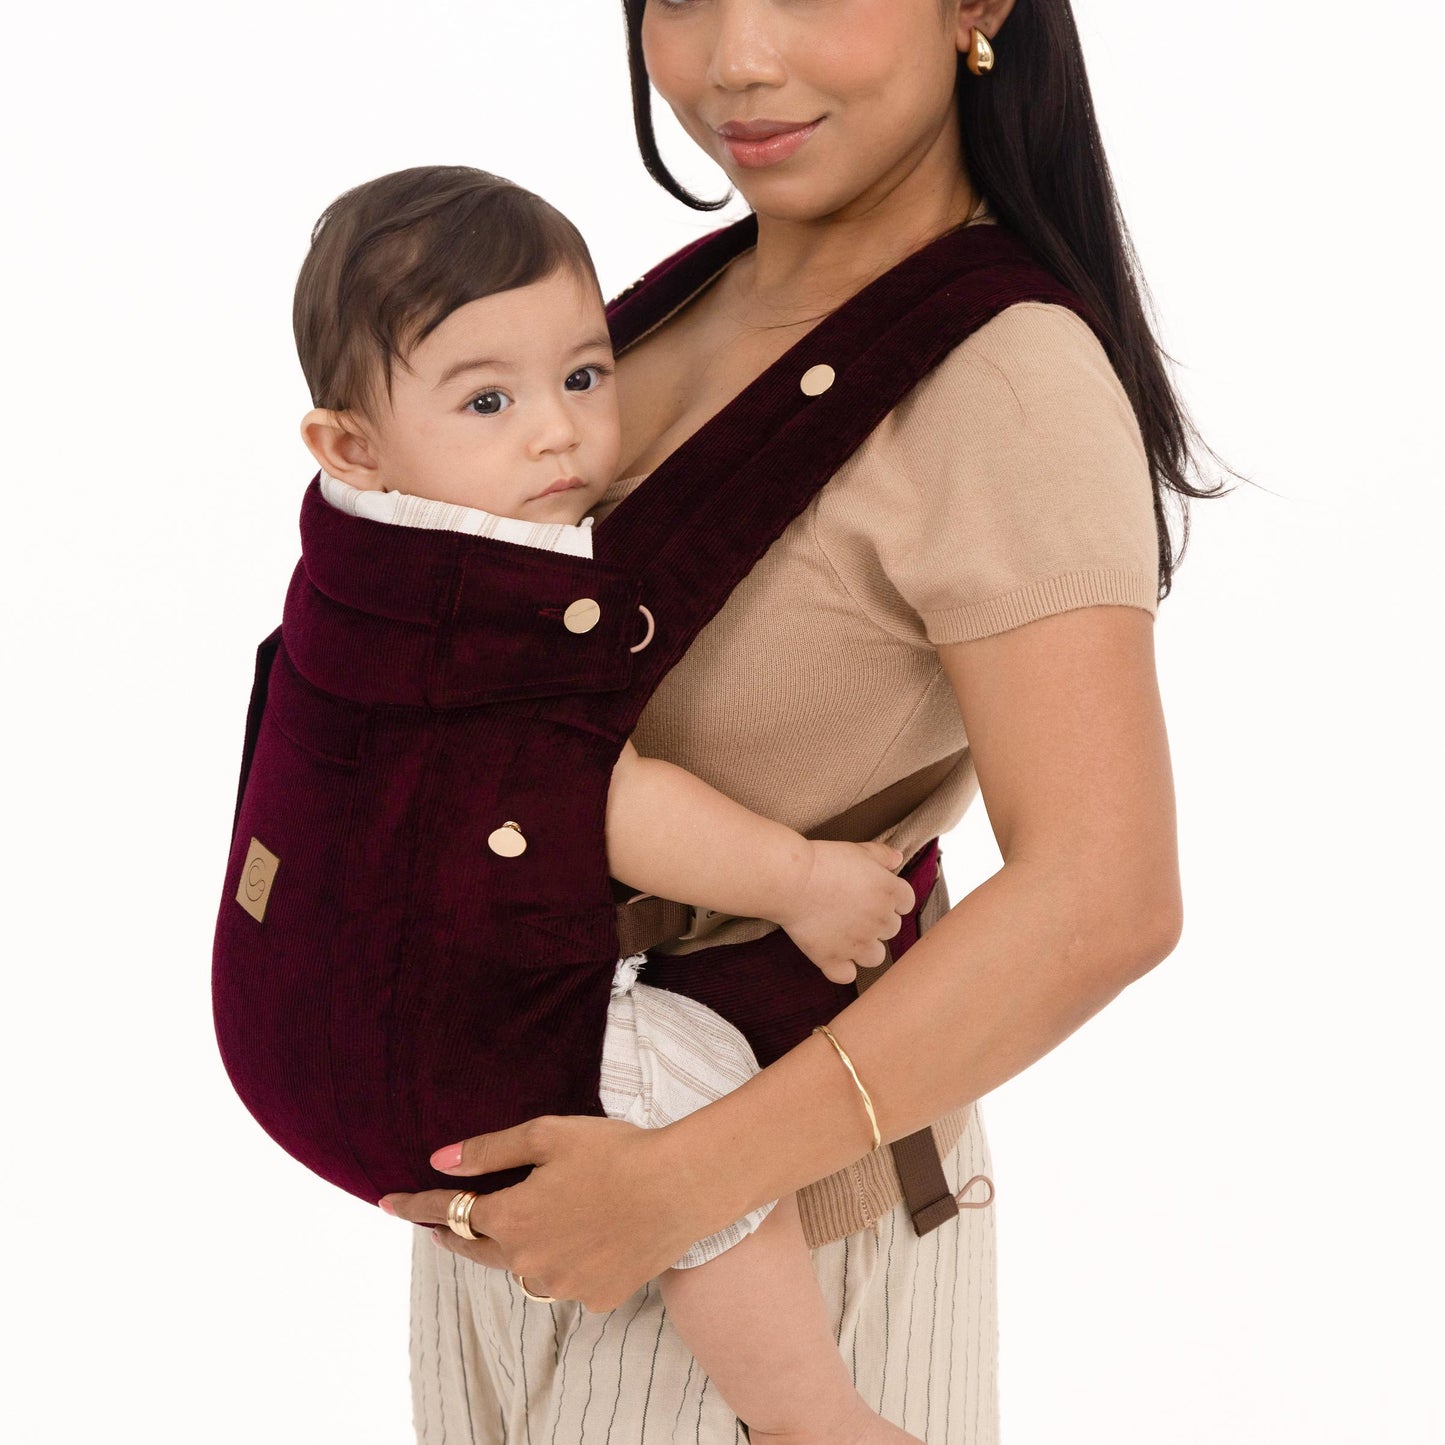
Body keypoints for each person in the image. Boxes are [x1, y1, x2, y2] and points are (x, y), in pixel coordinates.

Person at [385, 1, 1212, 1440]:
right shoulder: (660, 313)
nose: (734, 61)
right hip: (544, 1204)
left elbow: (1106, 896)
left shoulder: (1001, 380)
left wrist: (683, 1183)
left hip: (769, 1240)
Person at [217, 163, 936, 1444]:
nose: (554, 432)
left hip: (299, 1024)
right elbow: (588, 799)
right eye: (487, 399)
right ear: (348, 443)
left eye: (584, 376)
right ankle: (813, 1415)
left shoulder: (366, 543)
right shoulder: (467, 590)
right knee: (712, 1116)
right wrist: (799, 881)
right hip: (439, 1040)